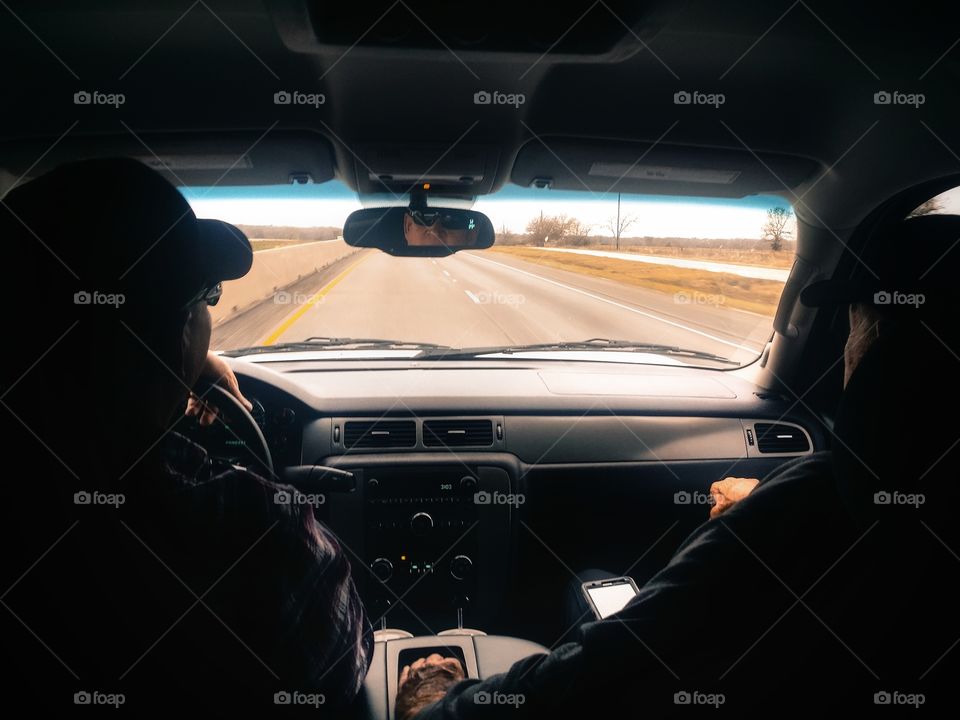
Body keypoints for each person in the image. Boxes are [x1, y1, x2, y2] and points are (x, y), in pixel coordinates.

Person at [395, 215, 960, 717]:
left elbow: (602, 666)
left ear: (884, 345)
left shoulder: (811, 501)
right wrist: (758, 514)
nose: (847, 347)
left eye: (857, 324)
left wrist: (440, 700)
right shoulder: (838, 501)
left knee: (594, 584)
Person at [0, 158, 372, 712]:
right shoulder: (259, 531)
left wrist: (181, 361)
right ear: (179, 332)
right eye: (207, 296)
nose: (207, 313)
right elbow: (346, 667)